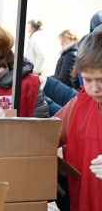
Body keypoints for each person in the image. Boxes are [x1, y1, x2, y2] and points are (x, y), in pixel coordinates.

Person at [55, 30, 102, 211]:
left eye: (101, 80)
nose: (94, 88)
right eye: (88, 80)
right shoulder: (78, 105)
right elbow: (42, 137)